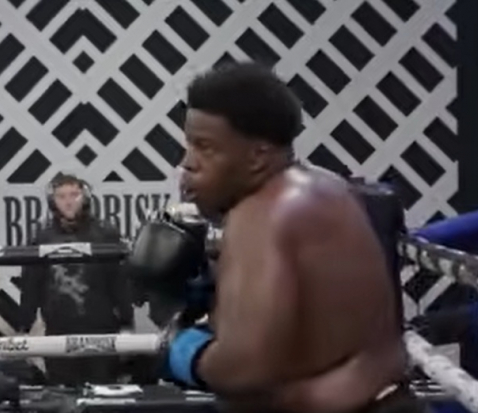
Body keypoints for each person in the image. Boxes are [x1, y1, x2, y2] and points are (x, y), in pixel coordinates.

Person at [130, 62, 428, 412]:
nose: (188, 163)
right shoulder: (327, 187)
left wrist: (183, 352)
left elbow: (245, 367)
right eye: (190, 145)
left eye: (205, 147)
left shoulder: (260, 215)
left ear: (258, 156)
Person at [18, 173, 134, 386]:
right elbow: (31, 285)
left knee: (103, 391)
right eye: (62, 196)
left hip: (101, 329)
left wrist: (127, 321)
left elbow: (119, 282)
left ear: (85, 198)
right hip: (58, 330)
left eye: (74, 195)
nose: (68, 202)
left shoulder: (105, 234)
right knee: (62, 393)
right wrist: (24, 326)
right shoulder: (42, 238)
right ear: (52, 201)